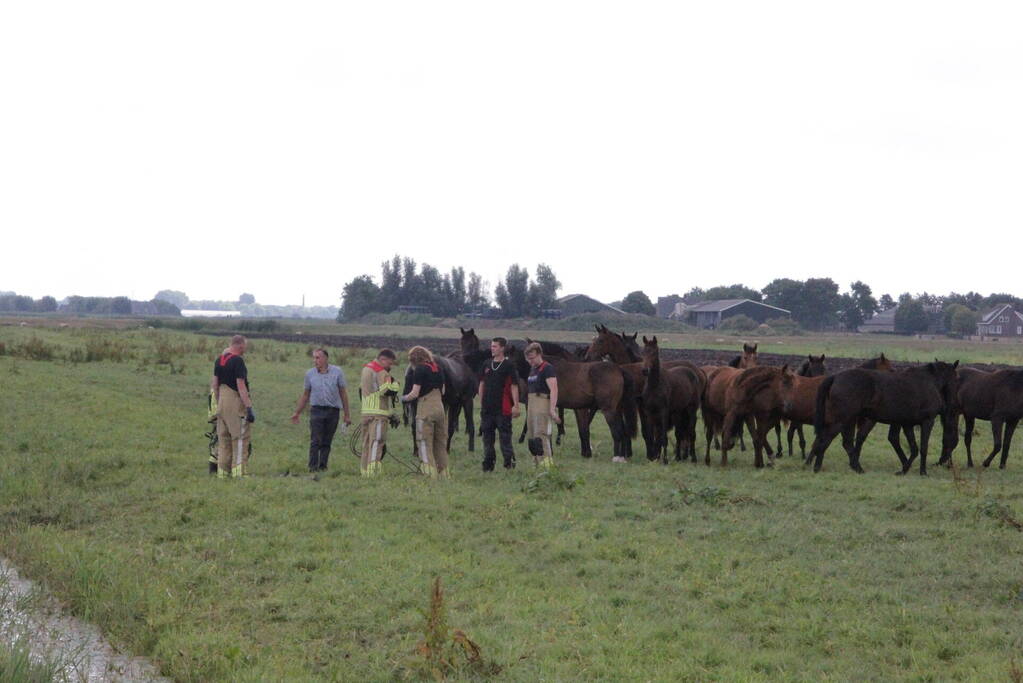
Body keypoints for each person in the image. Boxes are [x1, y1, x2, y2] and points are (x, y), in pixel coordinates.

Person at [290, 348, 351, 472]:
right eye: (314, 357)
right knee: (315, 440)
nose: (315, 360)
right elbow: (306, 394)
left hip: (333, 411)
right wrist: (297, 412)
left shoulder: (337, 372)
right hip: (317, 410)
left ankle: (323, 466)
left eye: (318, 357)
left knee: (327, 441)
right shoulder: (310, 374)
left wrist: (347, 414)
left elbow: (343, 393)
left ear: (325, 358)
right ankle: (312, 467)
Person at [210, 335, 255, 479]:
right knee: (240, 438)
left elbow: (215, 385)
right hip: (235, 402)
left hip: (221, 401)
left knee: (223, 440)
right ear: (240, 345)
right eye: (245, 346)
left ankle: (222, 474)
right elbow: (241, 386)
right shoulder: (238, 361)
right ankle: (239, 474)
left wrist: (218, 404)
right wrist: (248, 407)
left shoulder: (219, 360)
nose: (245, 349)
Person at [400, 346, 448, 478]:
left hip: (426, 408)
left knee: (423, 442)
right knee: (440, 443)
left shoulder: (420, 369)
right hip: (440, 408)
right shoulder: (438, 368)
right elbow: (443, 391)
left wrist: (403, 398)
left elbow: (414, 393)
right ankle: (444, 473)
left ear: (413, 359)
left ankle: (428, 474)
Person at [478, 337, 520, 471]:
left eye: (495, 346)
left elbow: (514, 385)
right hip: (487, 409)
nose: (492, 348)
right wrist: (482, 402)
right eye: (492, 346)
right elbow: (482, 383)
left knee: (505, 439)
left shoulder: (509, 365)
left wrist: (516, 405)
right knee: (487, 439)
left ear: (502, 348)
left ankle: (509, 464)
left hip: (503, 408)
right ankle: (488, 466)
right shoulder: (486, 364)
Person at [359, 348, 401, 476]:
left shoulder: (366, 368)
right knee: (377, 442)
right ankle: (374, 473)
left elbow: (360, 390)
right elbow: (386, 391)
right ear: (383, 359)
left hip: (366, 413)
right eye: (390, 363)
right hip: (379, 414)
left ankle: (364, 471)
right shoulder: (381, 372)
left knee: (366, 443)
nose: (390, 366)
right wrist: (396, 385)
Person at [524, 342, 560, 468]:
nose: (530, 361)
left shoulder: (547, 368)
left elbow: (554, 389)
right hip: (532, 402)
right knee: (532, 435)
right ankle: (536, 463)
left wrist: (552, 409)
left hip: (542, 401)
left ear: (539, 354)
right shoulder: (533, 370)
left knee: (541, 434)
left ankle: (547, 464)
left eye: (532, 358)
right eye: (528, 359)